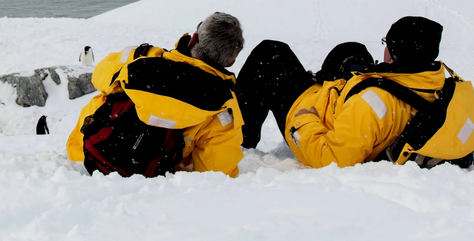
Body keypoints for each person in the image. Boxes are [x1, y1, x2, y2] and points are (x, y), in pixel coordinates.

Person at [233, 16, 445, 168]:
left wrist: (305, 120)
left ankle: (241, 139)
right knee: (352, 49)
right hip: (338, 100)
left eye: (387, 44)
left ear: (394, 54)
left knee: (270, 52)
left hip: (307, 117)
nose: (384, 49)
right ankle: (326, 78)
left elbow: (330, 158)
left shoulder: (371, 104)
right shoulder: (433, 82)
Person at [67, 12, 246, 178]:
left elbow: (99, 76)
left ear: (192, 40)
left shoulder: (142, 57)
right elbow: (215, 172)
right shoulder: (224, 107)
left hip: (88, 153)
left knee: (108, 94)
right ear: (231, 61)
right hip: (150, 175)